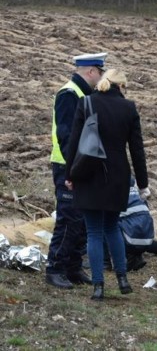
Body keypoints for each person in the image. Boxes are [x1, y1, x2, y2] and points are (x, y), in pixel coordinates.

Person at [65, 68, 149, 301]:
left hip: (89, 173)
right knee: (112, 227)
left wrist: (70, 174)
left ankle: (98, 286)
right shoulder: (129, 107)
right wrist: (143, 184)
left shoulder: (86, 103)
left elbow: (74, 141)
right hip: (117, 176)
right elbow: (137, 150)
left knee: (93, 231)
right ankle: (122, 278)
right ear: (121, 86)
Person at [45, 52, 107, 289]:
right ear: (91, 71)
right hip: (67, 166)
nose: (101, 77)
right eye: (100, 72)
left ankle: (73, 267)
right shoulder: (69, 94)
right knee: (69, 218)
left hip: (82, 165)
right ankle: (55, 268)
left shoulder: (85, 94)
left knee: (81, 219)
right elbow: (65, 135)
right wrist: (72, 170)